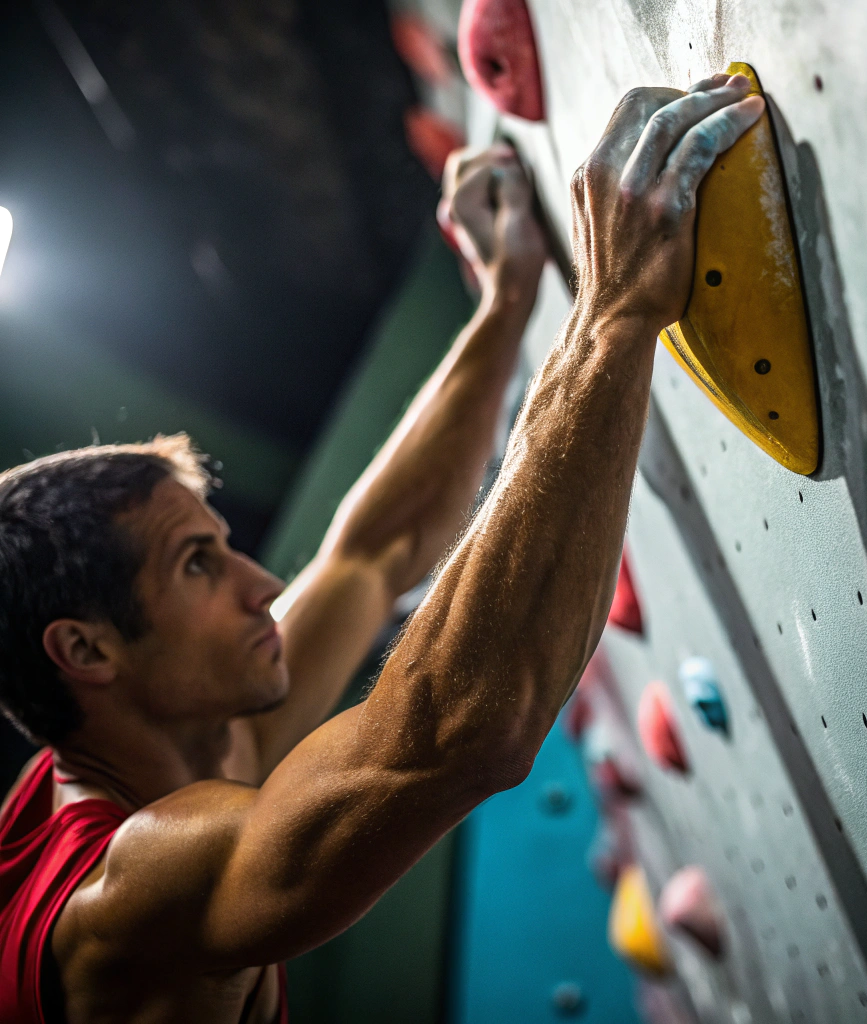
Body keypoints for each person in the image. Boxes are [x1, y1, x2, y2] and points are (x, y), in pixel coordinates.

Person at [0, 74, 763, 1023]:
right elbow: (456, 732)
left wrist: (508, 298)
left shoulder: (173, 734)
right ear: (85, 650)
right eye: (196, 564)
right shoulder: (123, 901)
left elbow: (373, 552)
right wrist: (613, 316)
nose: (262, 585)